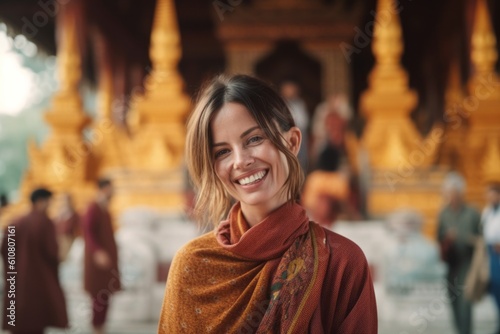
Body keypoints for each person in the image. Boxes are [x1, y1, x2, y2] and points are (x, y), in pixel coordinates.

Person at [158, 74, 377, 333]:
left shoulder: (342, 263)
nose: (240, 161)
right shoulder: (192, 265)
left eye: (254, 139)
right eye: (222, 152)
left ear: (293, 141)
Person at [1, 188, 68, 334]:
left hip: (17, 278)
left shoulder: (15, 223)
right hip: (40, 279)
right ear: (40, 202)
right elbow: (52, 252)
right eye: (49, 202)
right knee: (37, 319)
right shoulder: (44, 222)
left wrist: (13, 270)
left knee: (18, 316)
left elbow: (6, 250)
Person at [436, 172, 481, 334]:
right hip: (451, 264)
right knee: (453, 303)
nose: (451, 196)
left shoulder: (473, 213)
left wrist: (465, 238)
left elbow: (480, 238)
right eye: (449, 192)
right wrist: (447, 240)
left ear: (461, 193)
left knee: (465, 304)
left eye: (454, 192)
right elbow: (439, 237)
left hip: (468, 264)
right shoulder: (444, 213)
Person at [82, 178, 121, 334]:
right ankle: (96, 328)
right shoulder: (93, 208)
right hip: (96, 261)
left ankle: (102, 327)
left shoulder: (105, 209)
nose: (113, 192)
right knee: (98, 295)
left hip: (107, 261)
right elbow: (88, 233)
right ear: (103, 189)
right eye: (110, 189)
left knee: (106, 294)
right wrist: (97, 251)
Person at [280, 79, 310, 173]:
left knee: (302, 163)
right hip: (287, 136)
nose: (290, 91)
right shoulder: (281, 105)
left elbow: (304, 122)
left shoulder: (300, 103)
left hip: (301, 137)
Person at [482, 183, 500, 333]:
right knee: (494, 288)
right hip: (490, 253)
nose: (490, 197)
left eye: (493, 194)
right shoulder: (487, 211)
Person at [55, 193, 81, 261]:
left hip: (70, 241)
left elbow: (79, 229)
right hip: (60, 242)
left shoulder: (75, 215)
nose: (64, 203)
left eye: (66, 200)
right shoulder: (58, 216)